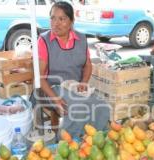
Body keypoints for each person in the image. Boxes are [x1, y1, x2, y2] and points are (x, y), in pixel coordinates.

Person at [36, 1, 110, 138]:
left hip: (74, 87)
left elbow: (88, 65)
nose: (55, 23)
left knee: (101, 105)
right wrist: (56, 99)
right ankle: (68, 144)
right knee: (77, 107)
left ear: (71, 21)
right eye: (52, 18)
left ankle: (94, 140)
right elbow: (40, 78)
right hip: (50, 89)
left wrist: (83, 82)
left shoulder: (81, 39)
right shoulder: (44, 41)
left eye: (61, 19)